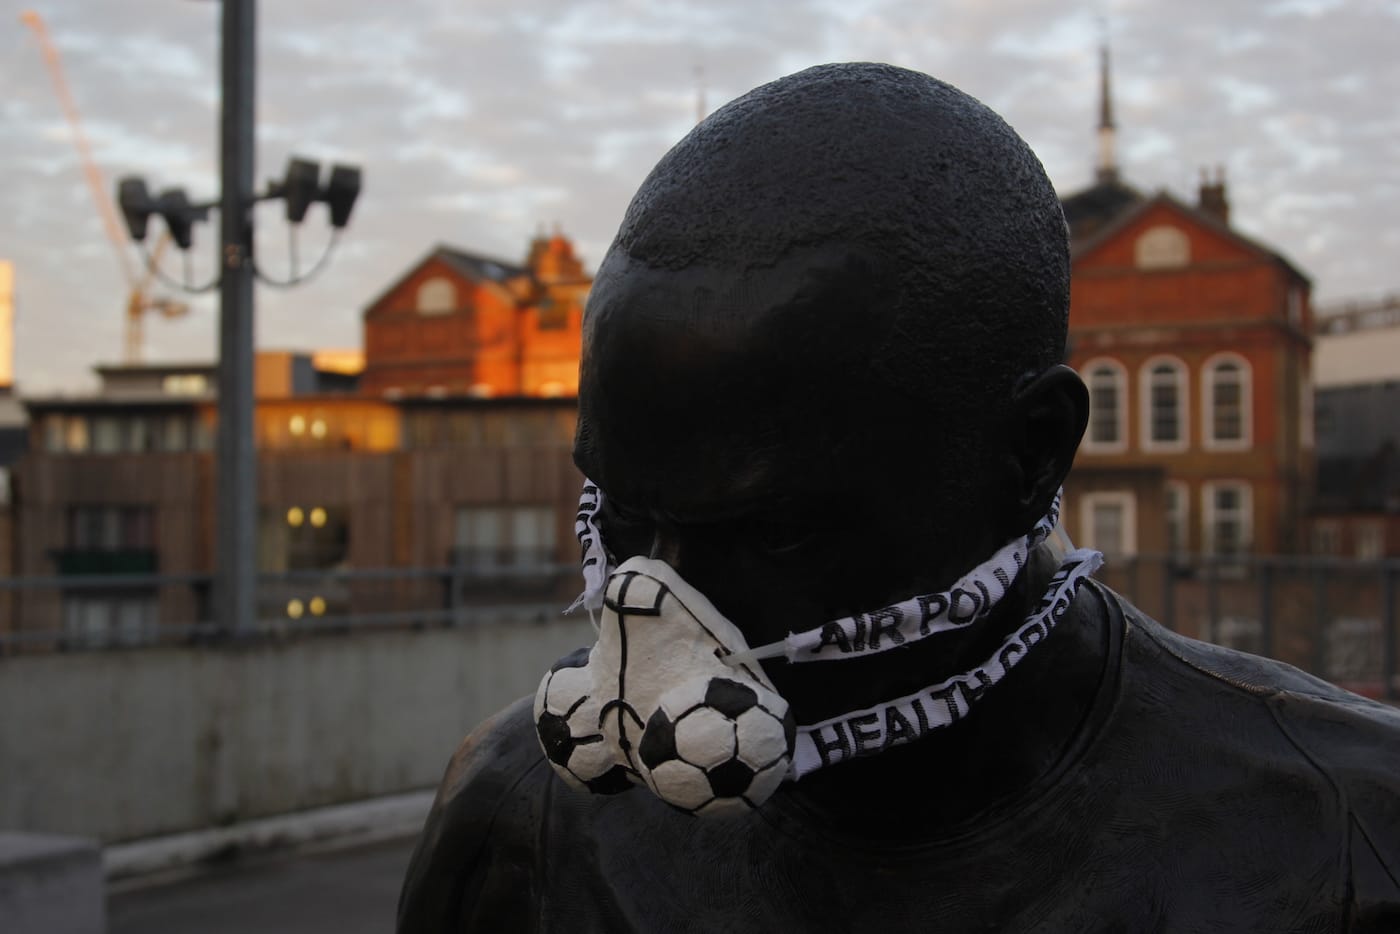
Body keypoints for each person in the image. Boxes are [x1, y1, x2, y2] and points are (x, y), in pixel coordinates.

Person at [398, 62, 1400, 932]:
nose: (649, 614)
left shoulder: (1346, 847)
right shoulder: (516, 827)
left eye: (773, 531)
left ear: (1031, 456)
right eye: (618, 513)